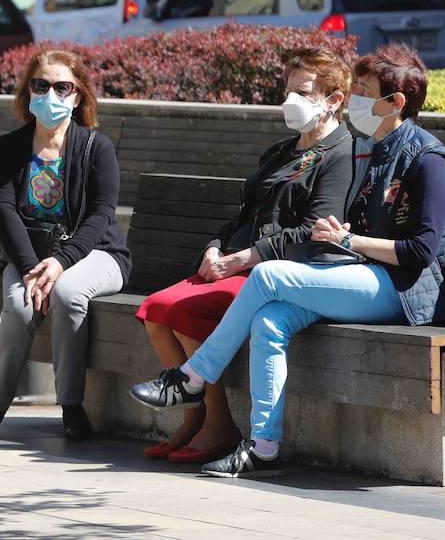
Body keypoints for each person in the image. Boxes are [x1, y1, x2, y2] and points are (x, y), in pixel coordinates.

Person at [129, 44, 445, 478]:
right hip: (366, 276)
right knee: (269, 321)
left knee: (269, 274)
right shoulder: (376, 150)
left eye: (364, 91)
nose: (355, 101)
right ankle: (264, 445)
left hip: (408, 292)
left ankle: (193, 376)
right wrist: (346, 240)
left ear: (396, 102)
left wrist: (350, 239)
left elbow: (420, 253)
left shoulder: (429, 161)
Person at [133, 47, 354, 465]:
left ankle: (218, 422)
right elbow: (243, 212)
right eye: (289, 90)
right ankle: (196, 416)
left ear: (335, 99)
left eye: (304, 92)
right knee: (154, 310)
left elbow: (315, 231)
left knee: (178, 311)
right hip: (233, 260)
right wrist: (215, 247)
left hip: (271, 271)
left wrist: (242, 260)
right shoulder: (281, 151)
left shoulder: (341, 155)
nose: (292, 101)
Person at [0, 49, 130, 442]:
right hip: (30, 258)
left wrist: (60, 263)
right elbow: (4, 211)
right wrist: (29, 266)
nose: (51, 94)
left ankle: (71, 407)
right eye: (41, 85)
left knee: (69, 294)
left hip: (96, 254)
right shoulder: (9, 148)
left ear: (78, 96)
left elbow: (101, 215)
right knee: (20, 305)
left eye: (62, 87)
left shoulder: (95, 147)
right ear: (28, 91)